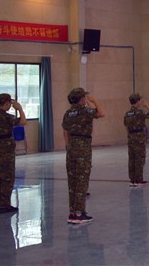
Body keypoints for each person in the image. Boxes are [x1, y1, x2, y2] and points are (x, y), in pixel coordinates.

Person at [62, 88, 105, 224]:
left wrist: (68, 146)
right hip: (83, 147)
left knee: (72, 181)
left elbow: (65, 132)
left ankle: (73, 212)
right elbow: (101, 113)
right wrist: (94, 100)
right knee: (82, 180)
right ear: (81, 99)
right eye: (84, 97)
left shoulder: (68, 113)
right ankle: (79, 213)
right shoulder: (85, 111)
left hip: (71, 147)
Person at [0, 93, 26, 214]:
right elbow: (23, 121)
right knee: (7, 177)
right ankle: (5, 204)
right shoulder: (8, 117)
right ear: (7, 103)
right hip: (6, 151)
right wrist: (19, 108)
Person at [124, 93, 149, 187]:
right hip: (139, 137)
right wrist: (147, 105)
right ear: (138, 101)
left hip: (131, 137)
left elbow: (126, 127)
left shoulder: (127, 114)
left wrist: (129, 136)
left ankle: (132, 180)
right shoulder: (139, 113)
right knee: (139, 159)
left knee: (132, 159)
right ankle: (139, 180)